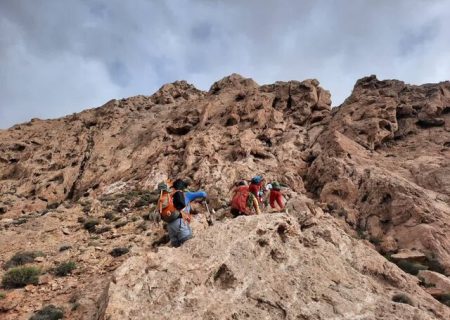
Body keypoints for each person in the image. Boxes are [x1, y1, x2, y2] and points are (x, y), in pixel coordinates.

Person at [158, 179, 207, 247]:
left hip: (170, 227)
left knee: (176, 252)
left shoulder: (169, 196)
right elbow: (203, 194)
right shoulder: (186, 194)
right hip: (180, 223)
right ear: (183, 187)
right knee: (188, 246)